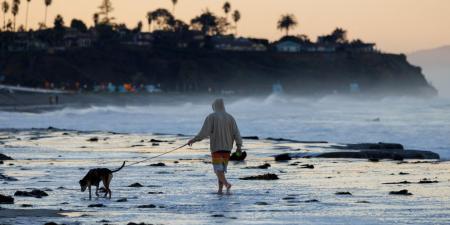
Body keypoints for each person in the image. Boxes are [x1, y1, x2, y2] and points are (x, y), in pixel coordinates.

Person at [188, 99, 243, 194]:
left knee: (218, 170)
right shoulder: (230, 118)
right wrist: (239, 146)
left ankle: (226, 184)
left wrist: (194, 140)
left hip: (216, 148)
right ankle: (220, 190)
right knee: (221, 170)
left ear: (214, 106)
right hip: (227, 149)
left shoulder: (211, 117)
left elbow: (204, 132)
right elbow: (236, 133)